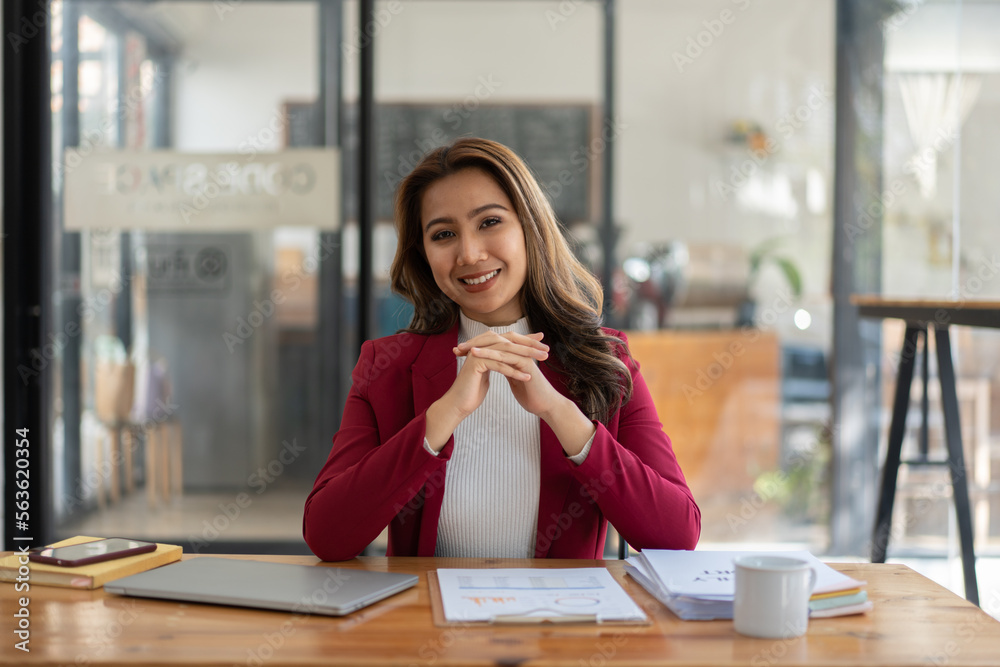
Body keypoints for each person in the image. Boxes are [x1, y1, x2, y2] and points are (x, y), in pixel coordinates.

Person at [303, 137, 700, 561]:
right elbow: (327, 534)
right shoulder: (386, 367)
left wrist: (561, 413)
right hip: (426, 622)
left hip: (563, 621)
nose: (469, 253)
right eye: (444, 234)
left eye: (489, 222)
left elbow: (676, 534)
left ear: (529, 226)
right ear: (425, 255)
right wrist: (443, 415)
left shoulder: (608, 361)